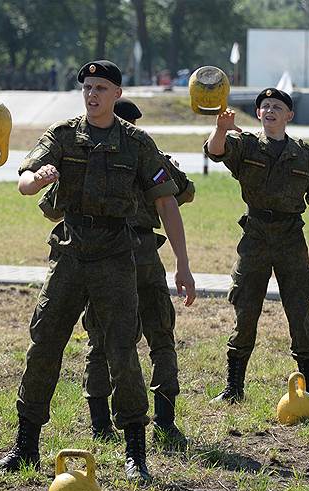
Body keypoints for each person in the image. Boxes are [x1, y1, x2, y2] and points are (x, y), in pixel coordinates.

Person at [0, 60, 196, 483]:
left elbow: (166, 202)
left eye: (101, 88)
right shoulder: (64, 135)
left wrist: (183, 263)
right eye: (87, 87)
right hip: (70, 253)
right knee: (45, 342)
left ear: (116, 94)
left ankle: (135, 453)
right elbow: (25, 179)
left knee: (122, 350)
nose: (92, 94)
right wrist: (35, 178)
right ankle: (25, 445)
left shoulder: (137, 143)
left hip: (114, 256)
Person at [38, 97, 195, 450]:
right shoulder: (149, 153)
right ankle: (165, 422)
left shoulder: (94, 154)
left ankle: (100, 424)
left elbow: (50, 207)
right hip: (137, 254)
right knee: (159, 336)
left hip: (104, 254)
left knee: (102, 341)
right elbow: (184, 193)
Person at [204, 88, 309, 405]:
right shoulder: (245, 145)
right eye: (265, 107)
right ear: (259, 114)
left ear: (289, 115)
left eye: (277, 107)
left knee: (300, 310)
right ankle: (234, 388)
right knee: (245, 308)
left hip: (291, 236)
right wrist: (221, 128)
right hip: (256, 234)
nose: (270, 110)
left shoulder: (304, 154)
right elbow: (214, 151)